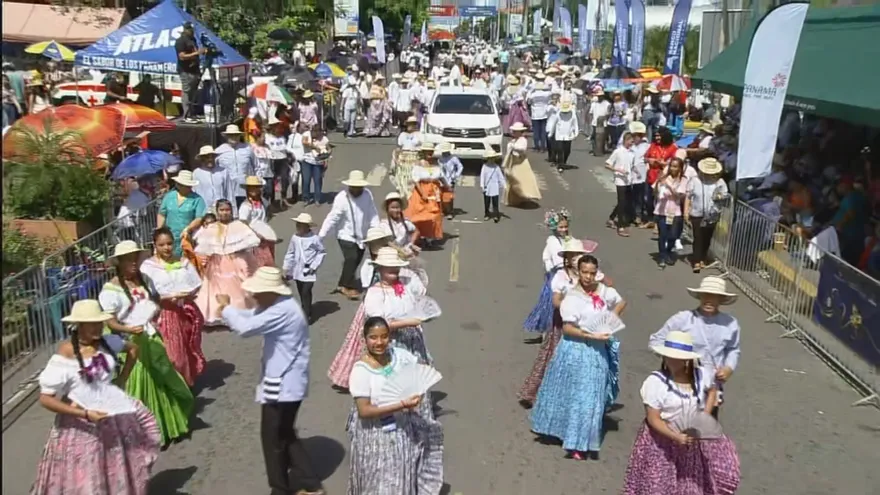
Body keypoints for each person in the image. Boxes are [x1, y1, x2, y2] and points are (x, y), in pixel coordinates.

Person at [30, 300, 160, 495]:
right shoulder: (64, 357)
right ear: (79, 326)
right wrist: (84, 413)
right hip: (81, 426)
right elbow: (46, 398)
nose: (98, 328)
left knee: (117, 463)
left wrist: (122, 379)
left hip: (112, 417)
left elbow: (133, 349)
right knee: (86, 472)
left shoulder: (108, 343)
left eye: (99, 323)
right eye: (92, 324)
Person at [217, 267, 325, 495]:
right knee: (284, 433)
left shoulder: (283, 311)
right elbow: (251, 316)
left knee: (273, 436)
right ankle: (309, 483)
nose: (254, 296)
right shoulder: (279, 306)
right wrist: (228, 310)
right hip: (286, 381)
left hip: (283, 383)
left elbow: (246, 328)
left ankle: (281, 488)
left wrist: (226, 308)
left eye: (258, 292)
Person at [99, 241, 194, 446]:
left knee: (163, 379)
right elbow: (110, 321)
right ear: (119, 263)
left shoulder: (145, 281)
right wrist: (128, 329)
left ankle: (169, 425)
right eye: (127, 260)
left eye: (134, 259)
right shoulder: (110, 290)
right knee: (141, 385)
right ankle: (144, 433)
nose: (132, 263)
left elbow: (156, 302)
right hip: (131, 345)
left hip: (151, 337)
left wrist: (153, 314)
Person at [530, 255, 624, 460]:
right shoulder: (571, 297)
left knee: (592, 398)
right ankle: (570, 438)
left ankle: (582, 440)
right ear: (579, 273)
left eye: (592, 272)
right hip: (575, 350)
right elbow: (567, 328)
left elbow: (621, 303)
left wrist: (609, 321)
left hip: (597, 353)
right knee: (573, 395)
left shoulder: (605, 292)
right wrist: (590, 334)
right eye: (585, 272)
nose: (588, 277)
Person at [623, 331, 740, 494]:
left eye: (676, 357)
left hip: (690, 441)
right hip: (661, 443)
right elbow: (653, 418)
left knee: (690, 485)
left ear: (686, 359)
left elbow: (712, 391)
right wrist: (676, 436)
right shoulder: (655, 383)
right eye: (669, 356)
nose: (671, 361)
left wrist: (703, 418)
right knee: (657, 486)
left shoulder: (701, 376)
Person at [346, 316, 444, 494]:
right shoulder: (360, 372)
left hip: (401, 435)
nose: (379, 342)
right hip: (374, 439)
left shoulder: (399, 356)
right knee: (378, 483)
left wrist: (416, 394)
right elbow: (364, 411)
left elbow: (418, 370)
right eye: (373, 337)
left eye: (384, 336)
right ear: (364, 338)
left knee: (400, 479)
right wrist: (400, 405)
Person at [650, 276, 740, 419]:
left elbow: (733, 349)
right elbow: (656, 340)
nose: (709, 300)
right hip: (681, 383)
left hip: (711, 385)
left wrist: (729, 367)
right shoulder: (683, 319)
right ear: (700, 296)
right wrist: (673, 359)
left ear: (721, 300)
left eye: (714, 297)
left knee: (706, 427)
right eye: (706, 295)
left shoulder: (730, 324)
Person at [518, 238, 593, 405]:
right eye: (572, 255)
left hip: (583, 324)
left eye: (578, 255)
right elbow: (556, 301)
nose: (575, 258)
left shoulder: (589, 274)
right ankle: (544, 394)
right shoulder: (561, 276)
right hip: (563, 323)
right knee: (555, 358)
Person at [139, 227, 205, 387]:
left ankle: (187, 382)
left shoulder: (183, 262)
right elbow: (145, 291)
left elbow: (196, 283)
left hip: (185, 309)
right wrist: (166, 297)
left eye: (169, 243)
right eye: (162, 245)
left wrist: (185, 294)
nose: (167, 248)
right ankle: (174, 385)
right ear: (155, 245)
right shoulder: (148, 267)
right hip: (164, 313)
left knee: (187, 347)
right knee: (173, 354)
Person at [194, 199, 260, 326]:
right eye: (222, 210)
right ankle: (218, 314)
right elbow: (203, 244)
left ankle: (238, 313)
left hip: (235, 261)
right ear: (217, 212)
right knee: (217, 288)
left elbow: (251, 240)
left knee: (236, 288)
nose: (225, 213)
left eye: (227, 210)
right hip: (217, 263)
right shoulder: (212, 227)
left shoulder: (238, 226)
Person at [318, 170, 381, 300]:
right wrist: (321, 236)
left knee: (357, 260)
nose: (357, 190)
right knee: (351, 258)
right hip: (345, 234)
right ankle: (344, 285)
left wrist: (376, 230)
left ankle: (348, 278)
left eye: (359, 187)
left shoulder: (367, 195)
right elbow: (333, 218)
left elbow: (372, 213)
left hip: (362, 236)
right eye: (354, 187)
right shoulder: (342, 198)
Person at [363, 247, 433, 363]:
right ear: (380, 268)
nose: (393, 269)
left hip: (413, 341)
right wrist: (410, 322)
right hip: (389, 344)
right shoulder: (374, 294)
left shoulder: (407, 283)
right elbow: (379, 325)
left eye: (395, 266)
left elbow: (423, 298)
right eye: (389, 266)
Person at [686, 157, 729, 273]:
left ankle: (703, 256)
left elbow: (725, 196)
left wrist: (720, 197)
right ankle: (696, 260)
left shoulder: (720, 183)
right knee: (698, 237)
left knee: (707, 237)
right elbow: (688, 196)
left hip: (712, 214)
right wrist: (686, 211)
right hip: (697, 213)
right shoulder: (695, 180)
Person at [283, 213, 327, 323]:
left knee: (306, 291)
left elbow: (321, 252)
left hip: (309, 270)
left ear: (307, 226)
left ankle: (306, 315)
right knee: (301, 291)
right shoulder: (295, 238)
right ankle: (306, 308)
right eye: (297, 224)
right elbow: (290, 253)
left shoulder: (314, 239)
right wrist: (286, 268)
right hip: (297, 270)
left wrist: (314, 265)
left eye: (301, 225)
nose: (298, 226)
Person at [157, 170, 208, 258]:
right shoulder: (169, 196)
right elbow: (162, 213)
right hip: (170, 237)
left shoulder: (197, 199)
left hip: (188, 237)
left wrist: (188, 228)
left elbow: (199, 218)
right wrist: (159, 231)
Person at [405, 143, 446, 248]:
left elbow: (442, 177)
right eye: (427, 152)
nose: (429, 154)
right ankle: (418, 235)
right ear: (423, 153)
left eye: (431, 152)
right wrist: (422, 193)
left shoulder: (436, 165)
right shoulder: (418, 165)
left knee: (434, 214)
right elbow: (416, 181)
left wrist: (447, 187)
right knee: (420, 214)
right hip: (421, 192)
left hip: (434, 192)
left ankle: (429, 237)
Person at [654, 157, 689, 268]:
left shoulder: (683, 180)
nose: (673, 168)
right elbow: (655, 192)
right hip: (662, 210)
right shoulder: (664, 177)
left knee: (673, 235)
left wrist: (669, 185)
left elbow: (680, 195)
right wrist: (658, 184)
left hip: (675, 211)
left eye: (675, 166)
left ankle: (669, 250)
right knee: (662, 235)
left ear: (680, 168)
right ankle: (662, 256)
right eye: (671, 166)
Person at [215, 124, 256, 210]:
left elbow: (256, 166)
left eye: (235, 135)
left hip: (245, 188)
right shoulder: (219, 151)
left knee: (246, 212)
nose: (233, 137)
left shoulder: (248, 148)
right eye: (231, 135)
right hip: (227, 189)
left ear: (239, 135)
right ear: (226, 136)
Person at [504, 122, 542, 207]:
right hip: (513, 161)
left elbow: (522, 149)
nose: (513, 133)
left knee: (522, 180)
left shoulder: (523, 140)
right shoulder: (512, 141)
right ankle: (515, 199)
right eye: (513, 131)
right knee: (513, 179)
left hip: (521, 162)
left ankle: (525, 196)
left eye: (515, 131)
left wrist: (513, 147)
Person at [606, 131, 636, 237]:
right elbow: (607, 164)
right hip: (620, 180)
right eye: (630, 142)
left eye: (632, 142)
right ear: (625, 140)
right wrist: (617, 170)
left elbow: (632, 166)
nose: (631, 144)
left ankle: (611, 218)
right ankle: (621, 226)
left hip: (629, 180)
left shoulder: (632, 153)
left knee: (624, 202)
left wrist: (636, 172)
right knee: (622, 202)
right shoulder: (618, 152)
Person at [175, 22, 204, 121]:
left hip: (195, 69)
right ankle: (186, 114)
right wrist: (197, 53)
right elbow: (182, 56)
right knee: (187, 91)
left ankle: (192, 113)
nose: (192, 31)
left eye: (192, 29)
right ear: (185, 29)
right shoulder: (180, 41)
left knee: (193, 92)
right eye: (190, 29)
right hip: (185, 70)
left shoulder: (193, 40)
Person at [392, 116, 423, 198]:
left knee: (413, 179)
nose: (410, 126)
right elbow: (398, 149)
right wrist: (395, 159)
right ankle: (403, 197)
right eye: (409, 124)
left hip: (414, 158)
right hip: (403, 159)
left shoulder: (420, 135)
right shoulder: (402, 135)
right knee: (402, 179)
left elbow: (422, 149)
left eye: (412, 124)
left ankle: (412, 199)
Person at [301, 125, 330, 205]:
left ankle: (317, 198)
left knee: (318, 181)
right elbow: (304, 142)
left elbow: (329, 148)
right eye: (314, 132)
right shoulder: (306, 134)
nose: (316, 135)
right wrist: (315, 147)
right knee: (306, 180)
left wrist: (326, 157)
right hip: (307, 161)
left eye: (318, 133)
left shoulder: (324, 139)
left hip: (318, 163)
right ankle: (306, 198)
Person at [437, 142, 463, 220]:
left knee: (449, 197)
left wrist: (456, 175)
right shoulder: (440, 159)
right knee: (441, 196)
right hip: (442, 180)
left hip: (450, 179)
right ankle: (443, 210)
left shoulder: (453, 158)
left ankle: (450, 212)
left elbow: (460, 166)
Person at [480, 149, 507, 223]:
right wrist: (482, 186)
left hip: (495, 187)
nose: (491, 160)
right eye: (490, 158)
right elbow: (482, 177)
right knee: (487, 202)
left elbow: (500, 177)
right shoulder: (485, 167)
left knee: (495, 202)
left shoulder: (496, 167)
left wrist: (504, 185)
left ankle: (496, 215)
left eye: (493, 158)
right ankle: (487, 214)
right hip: (487, 187)